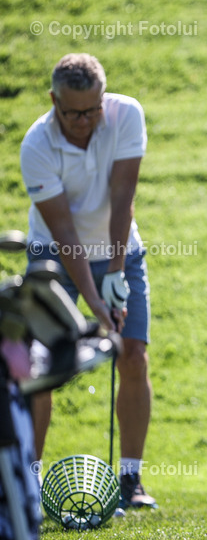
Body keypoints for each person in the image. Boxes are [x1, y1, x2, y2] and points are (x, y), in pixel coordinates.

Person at [19, 53, 157, 509]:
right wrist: (96, 304)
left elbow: (123, 197)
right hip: (53, 257)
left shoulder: (126, 114)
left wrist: (115, 272)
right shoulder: (36, 146)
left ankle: (131, 481)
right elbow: (63, 231)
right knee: (38, 368)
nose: (84, 122)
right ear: (53, 100)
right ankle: (28, 483)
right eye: (73, 113)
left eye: (93, 110)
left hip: (120, 250)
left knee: (132, 354)